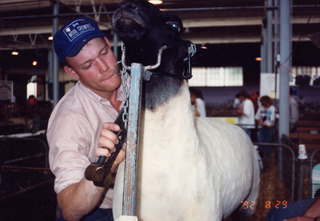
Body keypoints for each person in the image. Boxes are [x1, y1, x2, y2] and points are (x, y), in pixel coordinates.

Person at [47, 17, 125, 221]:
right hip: (99, 214)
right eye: (88, 64)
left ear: (109, 44)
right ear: (72, 72)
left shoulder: (134, 85)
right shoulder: (70, 118)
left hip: (139, 204)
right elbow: (71, 209)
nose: (104, 67)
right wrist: (104, 165)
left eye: (103, 53)